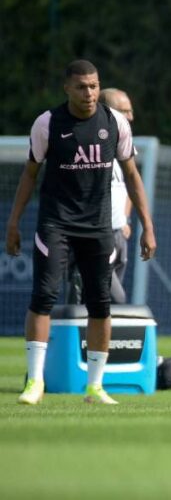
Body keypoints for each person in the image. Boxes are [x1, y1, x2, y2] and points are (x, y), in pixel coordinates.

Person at [6, 60, 157, 406]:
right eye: (80, 87)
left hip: (98, 227)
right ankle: (35, 382)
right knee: (43, 297)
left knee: (100, 305)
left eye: (93, 86)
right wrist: (13, 223)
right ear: (67, 89)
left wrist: (148, 225)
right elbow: (30, 174)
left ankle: (95, 386)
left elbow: (132, 175)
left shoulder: (115, 122)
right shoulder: (48, 123)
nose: (88, 93)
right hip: (56, 224)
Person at [66, 88, 136, 305]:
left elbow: (131, 185)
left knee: (100, 301)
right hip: (95, 234)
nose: (130, 117)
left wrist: (125, 220)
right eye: (123, 111)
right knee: (113, 299)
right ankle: (70, 334)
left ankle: (94, 340)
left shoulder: (123, 145)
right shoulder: (90, 144)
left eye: (130, 110)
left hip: (118, 234)